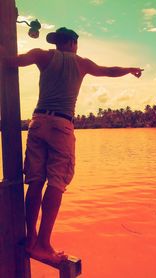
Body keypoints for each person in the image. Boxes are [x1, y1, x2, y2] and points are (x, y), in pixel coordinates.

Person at [1, 27, 143, 263]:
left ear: (58, 43)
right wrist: (130, 70)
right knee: (56, 182)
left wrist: (2, 48)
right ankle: (44, 244)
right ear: (73, 43)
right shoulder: (81, 63)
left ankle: (31, 237)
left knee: (35, 181)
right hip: (61, 125)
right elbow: (109, 71)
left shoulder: (41, 56)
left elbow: (9, 61)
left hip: (37, 123)